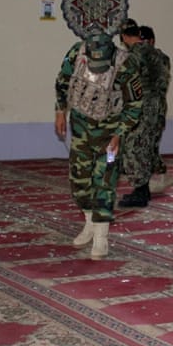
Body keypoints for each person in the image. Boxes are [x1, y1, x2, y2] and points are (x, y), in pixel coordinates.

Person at [55, 28, 143, 259]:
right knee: (79, 181)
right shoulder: (76, 54)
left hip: (110, 131)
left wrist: (119, 134)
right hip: (81, 127)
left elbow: (135, 105)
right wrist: (60, 112)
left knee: (104, 181)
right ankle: (89, 223)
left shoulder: (125, 65)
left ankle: (101, 237)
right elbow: (62, 82)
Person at [117, 19, 161, 207]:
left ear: (125, 37)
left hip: (140, 106)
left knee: (135, 147)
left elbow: (123, 81)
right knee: (146, 146)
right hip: (156, 106)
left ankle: (140, 192)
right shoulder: (157, 54)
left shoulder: (133, 55)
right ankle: (144, 190)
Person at [139, 25, 173, 194]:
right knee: (145, 145)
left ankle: (149, 181)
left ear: (152, 41)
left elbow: (159, 84)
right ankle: (158, 174)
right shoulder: (136, 57)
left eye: (145, 41)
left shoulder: (160, 58)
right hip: (140, 107)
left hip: (154, 107)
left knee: (149, 144)